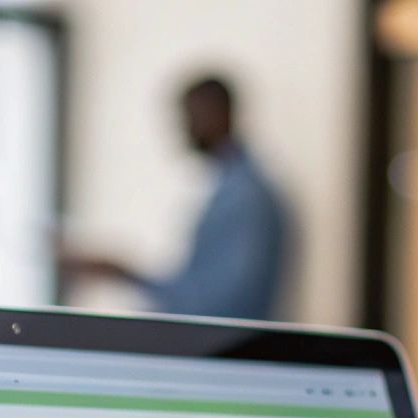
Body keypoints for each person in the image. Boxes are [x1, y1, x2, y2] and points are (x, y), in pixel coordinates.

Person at [63, 76, 287, 321]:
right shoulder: (232, 190)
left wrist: (125, 275)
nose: (185, 127)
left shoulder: (245, 198)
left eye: (190, 115)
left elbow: (220, 305)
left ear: (217, 113)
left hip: (230, 353)